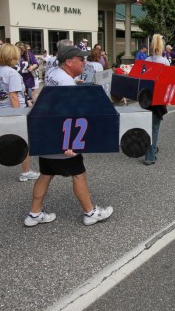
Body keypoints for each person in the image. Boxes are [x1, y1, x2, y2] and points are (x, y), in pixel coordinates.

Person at [25, 45, 113, 227]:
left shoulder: (53, 73)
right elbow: (65, 115)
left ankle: (34, 214)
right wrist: (69, 142)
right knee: (79, 174)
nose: (85, 62)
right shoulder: (66, 83)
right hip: (61, 138)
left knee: (46, 174)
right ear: (69, 62)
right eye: (81, 59)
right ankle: (90, 212)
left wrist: (75, 86)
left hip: (47, 134)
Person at [0, 44, 40, 190]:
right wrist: (19, 116)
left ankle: (25, 171)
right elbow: (14, 96)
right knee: (15, 143)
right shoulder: (12, 73)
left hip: (3, 109)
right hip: (14, 111)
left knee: (13, 142)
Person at [143, 34, 169, 165]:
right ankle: (150, 155)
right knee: (154, 127)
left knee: (148, 125)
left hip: (146, 97)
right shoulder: (164, 61)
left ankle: (152, 148)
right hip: (158, 98)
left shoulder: (146, 60)